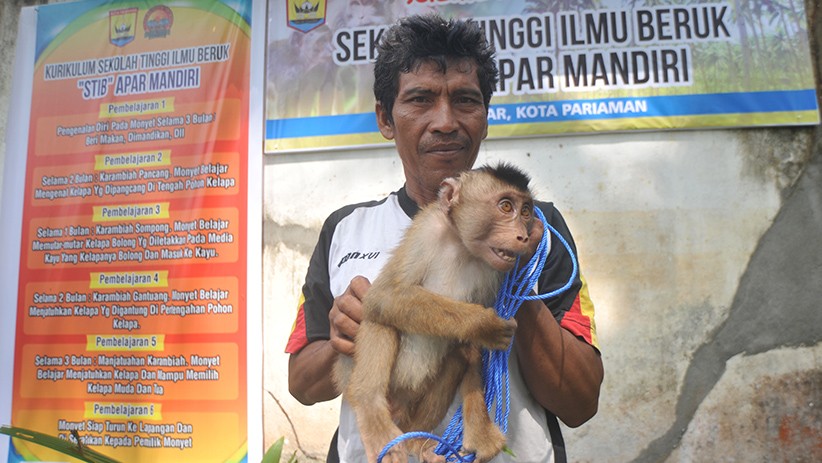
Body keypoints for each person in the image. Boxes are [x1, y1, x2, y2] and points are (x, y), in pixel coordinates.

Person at [285, 14, 603, 463]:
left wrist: (511, 282)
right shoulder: (346, 228)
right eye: (420, 99)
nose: (445, 121)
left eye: (466, 100)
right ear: (385, 119)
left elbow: (581, 402)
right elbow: (301, 383)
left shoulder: (539, 230)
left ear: (486, 118)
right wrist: (343, 335)